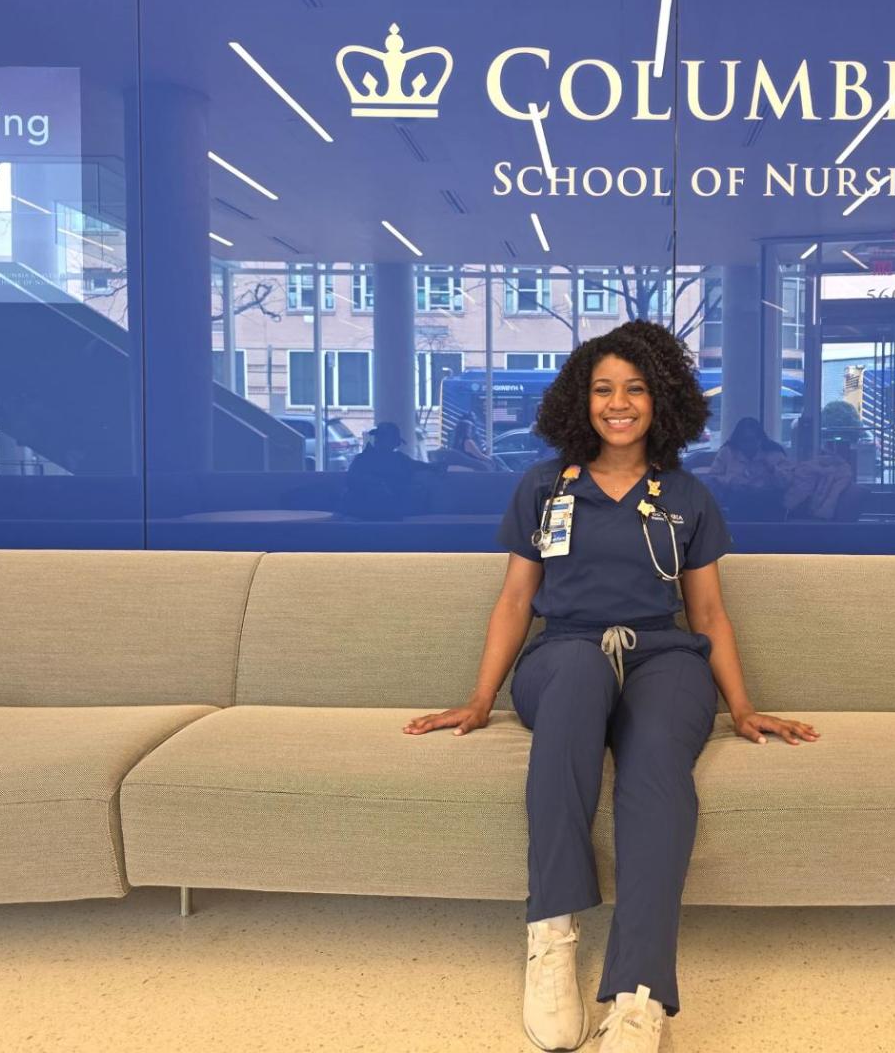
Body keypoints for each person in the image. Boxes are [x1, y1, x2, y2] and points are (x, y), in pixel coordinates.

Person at [401, 320, 820, 1052]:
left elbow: (709, 612)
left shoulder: (686, 495)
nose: (617, 403)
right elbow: (514, 602)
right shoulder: (543, 487)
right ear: (579, 401)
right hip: (562, 653)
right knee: (576, 678)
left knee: (657, 765)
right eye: (602, 389)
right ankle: (552, 932)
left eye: (634, 389)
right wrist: (478, 699)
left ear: (662, 401)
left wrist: (743, 706)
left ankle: (639, 993)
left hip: (665, 660)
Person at [705, 416, 789, 520]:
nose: (749, 444)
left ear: (761, 439)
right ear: (738, 440)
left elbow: (786, 482)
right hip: (736, 500)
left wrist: (772, 469)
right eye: (745, 440)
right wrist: (731, 481)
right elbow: (712, 477)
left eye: (753, 439)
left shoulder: (774, 452)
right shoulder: (727, 452)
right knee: (738, 501)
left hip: (767, 500)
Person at [343, 421, 431, 519]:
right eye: (380, 438)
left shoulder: (400, 459)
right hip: (366, 512)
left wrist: (433, 467)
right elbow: (351, 481)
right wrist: (377, 484)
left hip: (388, 513)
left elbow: (416, 465)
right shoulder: (363, 459)